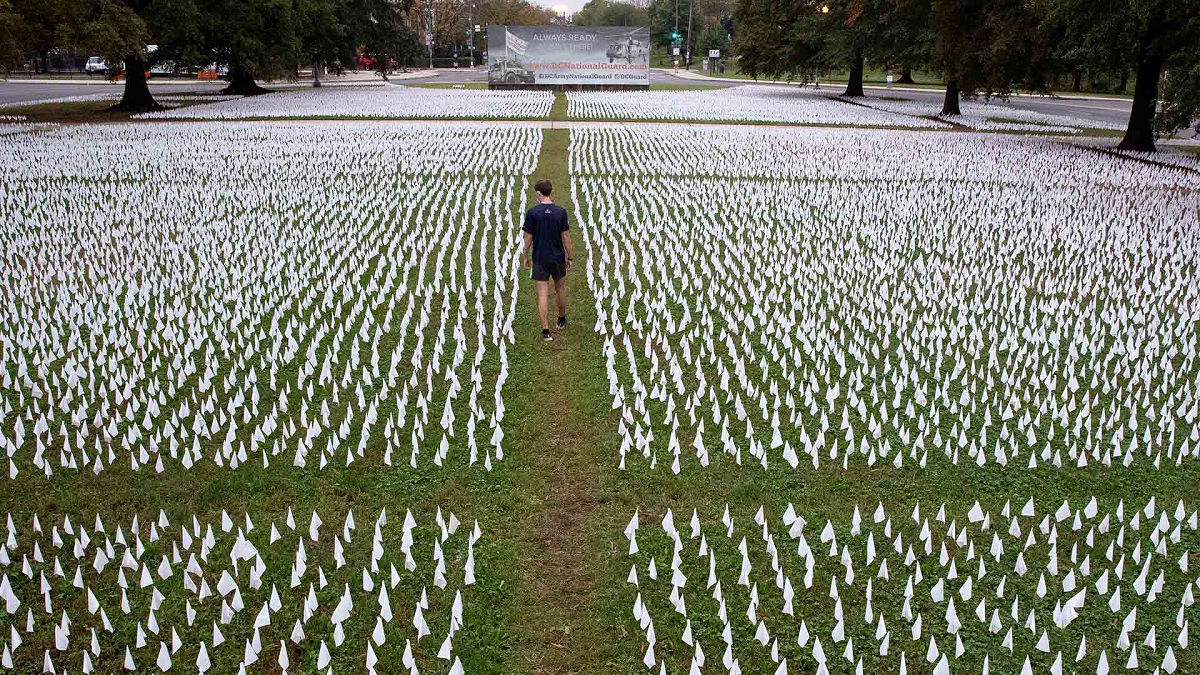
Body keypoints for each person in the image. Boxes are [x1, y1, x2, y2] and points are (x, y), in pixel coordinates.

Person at [522, 179, 573, 341]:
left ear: (538, 193)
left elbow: (528, 237)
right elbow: (565, 236)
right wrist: (570, 256)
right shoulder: (561, 212)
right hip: (557, 257)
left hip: (540, 258)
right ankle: (561, 319)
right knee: (560, 289)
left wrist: (525, 255)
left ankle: (546, 331)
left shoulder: (533, 213)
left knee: (542, 294)